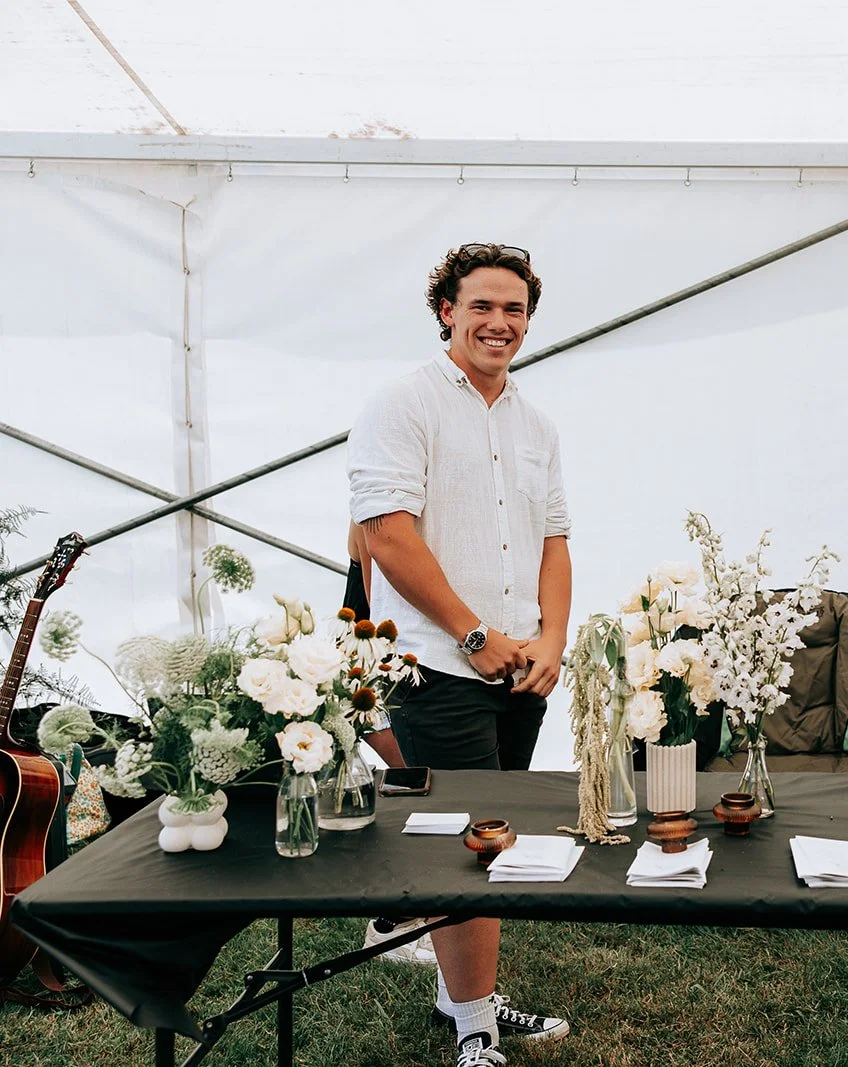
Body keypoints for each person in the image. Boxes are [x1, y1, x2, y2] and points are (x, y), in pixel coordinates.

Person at [348, 242, 573, 1065]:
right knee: (469, 844)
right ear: (446, 309)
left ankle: (462, 995)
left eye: (513, 308)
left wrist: (550, 638)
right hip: (441, 668)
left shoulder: (534, 420)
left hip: (521, 671)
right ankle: (474, 1025)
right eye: (482, 305)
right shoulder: (403, 403)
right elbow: (386, 534)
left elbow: (555, 539)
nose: (499, 322)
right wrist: (475, 637)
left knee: (495, 839)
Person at [344, 521, 435, 965]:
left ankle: (418, 918)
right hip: (378, 662)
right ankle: (389, 926)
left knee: (421, 788)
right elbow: (380, 606)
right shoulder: (376, 512)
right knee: (417, 785)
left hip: (387, 661)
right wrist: (384, 660)